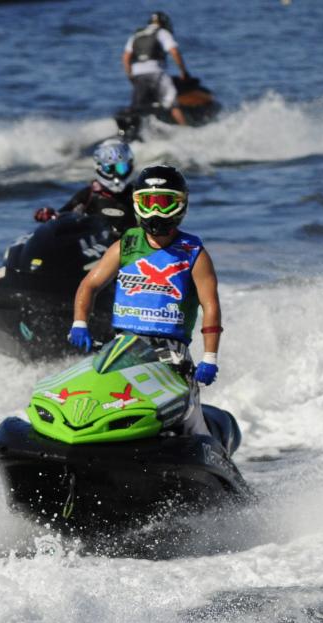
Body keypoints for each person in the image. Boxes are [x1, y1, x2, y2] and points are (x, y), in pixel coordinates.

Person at [69, 164, 222, 435]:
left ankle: (211, 457)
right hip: (122, 347)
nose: (155, 211)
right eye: (148, 202)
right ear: (136, 203)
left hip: (172, 355)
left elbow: (210, 306)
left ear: (181, 204)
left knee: (189, 423)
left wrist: (209, 357)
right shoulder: (125, 246)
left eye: (164, 203)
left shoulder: (194, 253)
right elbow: (89, 284)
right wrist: (80, 323)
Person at [34, 138, 136, 229]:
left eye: (121, 168)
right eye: (109, 169)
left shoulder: (137, 192)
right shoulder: (88, 195)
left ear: (130, 165)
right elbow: (62, 216)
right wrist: (50, 216)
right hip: (98, 247)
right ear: (99, 167)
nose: (116, 175)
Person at [122, 12, 189, 127]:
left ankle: (133, 131)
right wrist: (183, 71)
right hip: (156, 73)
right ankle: (186, 130)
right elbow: (174, 52)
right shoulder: (162, 32)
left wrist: (131, 76)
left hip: (138, 74)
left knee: (138, 107)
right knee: (172, 103)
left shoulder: (136, 35)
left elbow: (125, 58)